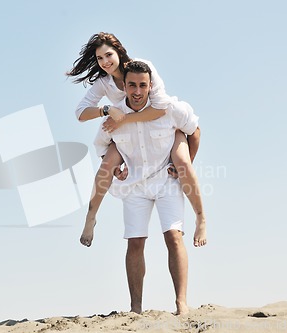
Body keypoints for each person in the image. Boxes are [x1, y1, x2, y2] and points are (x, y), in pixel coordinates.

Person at [66, 32, 206, 248]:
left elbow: (160, 109)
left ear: (119, 52)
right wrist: (107, 109)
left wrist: (123, 120)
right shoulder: (104, 82)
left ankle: (201, 218)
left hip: (158, 122)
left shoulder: (142, 67)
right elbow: (80, 113)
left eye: (108, 55)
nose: (105, 62)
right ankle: (91, 217)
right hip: (129, 132)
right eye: (100, 58)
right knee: (106, 166)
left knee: (183, 162)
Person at [94, 60, 197, 315]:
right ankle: (136, 308)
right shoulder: (115, 114)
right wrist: (115, 167)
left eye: (142, 85)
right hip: (135, 185)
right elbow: (101, 146)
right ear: (125, 86)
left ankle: (181, 303)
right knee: (135, 242)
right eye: (132, 85)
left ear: (151, 86)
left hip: (166, 181)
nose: (137, 91)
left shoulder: (169, 109)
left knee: (173, 237)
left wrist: (184, 164)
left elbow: (194, 131)